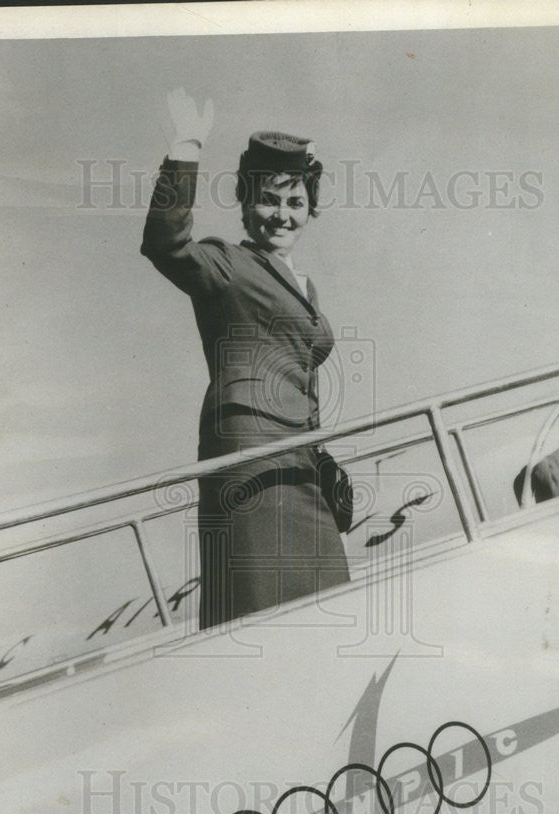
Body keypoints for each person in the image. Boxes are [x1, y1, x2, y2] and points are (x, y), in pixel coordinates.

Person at [141, 88, 350, 629]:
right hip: (252, 452)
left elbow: (301, 385)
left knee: (327, 603)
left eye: (295, 202)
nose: (282, 215)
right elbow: (166, 245)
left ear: (311, 209)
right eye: (269, 199)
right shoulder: (227, 264)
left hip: (301, 459)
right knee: (264, 605)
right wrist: (185, 150)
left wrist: (323, 460)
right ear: (245, 201)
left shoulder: (304, 285)